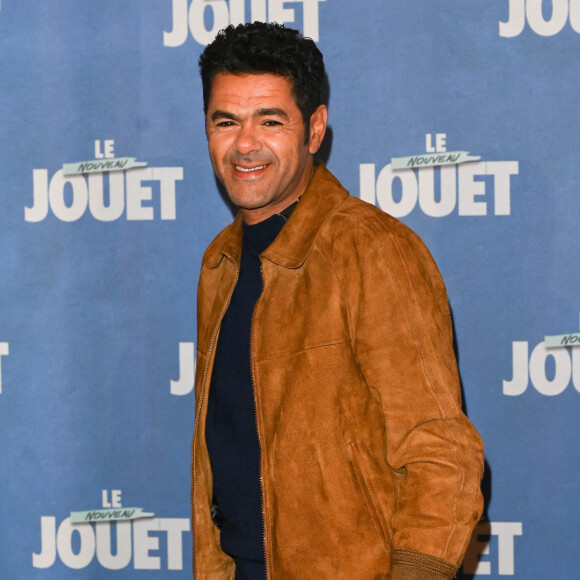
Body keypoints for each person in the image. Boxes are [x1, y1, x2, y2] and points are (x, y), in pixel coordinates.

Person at [192, 21, 484, 580]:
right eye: (225, 121)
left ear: (314, 128)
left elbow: (442, 454)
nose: (244, 143)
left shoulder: (370, 249)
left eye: (269, 121)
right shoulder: (220, 262)